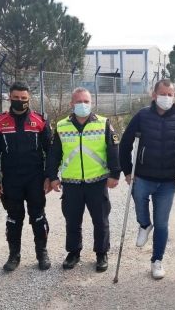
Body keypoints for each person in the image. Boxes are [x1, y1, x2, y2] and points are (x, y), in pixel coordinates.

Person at [119, 79, 175, 280]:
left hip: (168, 180)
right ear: (154, 95)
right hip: (143, 175)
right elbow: (125, 143)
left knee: (162, 223)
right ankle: (144, 224)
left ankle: (156, 261)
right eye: (163, 94)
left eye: (170, 94)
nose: (166, 98)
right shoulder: (142, 116)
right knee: (139, 200)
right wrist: (127, 170)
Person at [45, 87, 120, 273]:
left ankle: (101, 253)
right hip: (71, 183)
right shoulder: (62, 126)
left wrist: (115, 174)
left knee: (100, 221)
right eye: (78, 101)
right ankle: (73, 253)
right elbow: (54, 155)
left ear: (91, 103)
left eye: (86, 101)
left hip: (97, 181)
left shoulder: (103, 123)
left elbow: (113, 150)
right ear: (71, 104)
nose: (82, 105)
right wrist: (53, 177)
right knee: (72, 221)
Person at [0, 82, 52, 272]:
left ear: (29, 99)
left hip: (35, 178)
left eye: (23, 98)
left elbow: (50, 152)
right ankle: (14, 255)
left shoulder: (40, 120)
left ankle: (42, 253)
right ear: (9, 97)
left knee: (38, 217)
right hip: (11, 180)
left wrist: (49, 177)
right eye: (16, 98)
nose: (20, 101)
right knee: (13, 218)